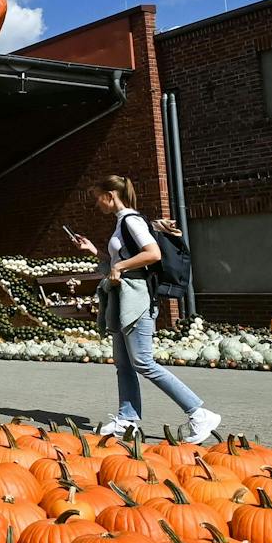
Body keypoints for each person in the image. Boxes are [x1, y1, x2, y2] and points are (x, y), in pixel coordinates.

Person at [71, 176, 222, 444]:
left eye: (98, 197)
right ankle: (127, 420)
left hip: (137, 301)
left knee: (143, 362)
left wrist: (120, 267)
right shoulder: (121, 223)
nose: (97, 203)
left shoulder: (131, 220)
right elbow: (118, 263)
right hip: (122, 301)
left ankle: (199, 413)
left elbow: (153, 254)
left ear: (111, 194)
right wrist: (94, 251)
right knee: (124, 365)